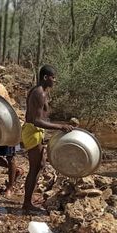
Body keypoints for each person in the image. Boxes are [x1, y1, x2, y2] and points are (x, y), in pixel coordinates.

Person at [21, 65, 73, 213]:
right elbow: (36, 120)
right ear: (45, 77)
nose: (54, 80)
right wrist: (60, 127)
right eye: (53, 77)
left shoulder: (41, 91)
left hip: (35, 131)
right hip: (33, 131)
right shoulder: (39, 93)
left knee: (41, 165)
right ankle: (26, 203)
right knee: (34, 168)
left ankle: (28, 199)